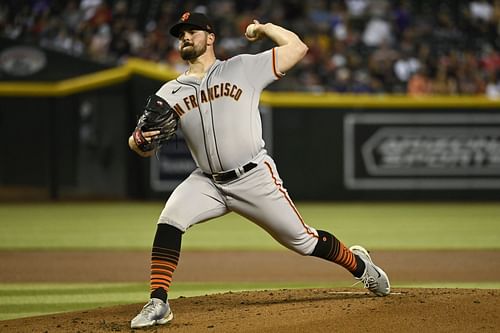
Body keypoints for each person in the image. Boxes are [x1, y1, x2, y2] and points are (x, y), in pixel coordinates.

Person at [128, 12, 390, 329]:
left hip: (253, 176)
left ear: (210, 37)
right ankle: (158, 302)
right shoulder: (169, 92)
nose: (185, 36)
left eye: (192, 31)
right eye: (180, 33)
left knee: (304, 242)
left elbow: (298, 48)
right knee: (170, 220)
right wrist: (138, 141)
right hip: (207, 182)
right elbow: (140, 143)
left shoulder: (242, 68)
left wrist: (265, 28)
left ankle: (361, 266)